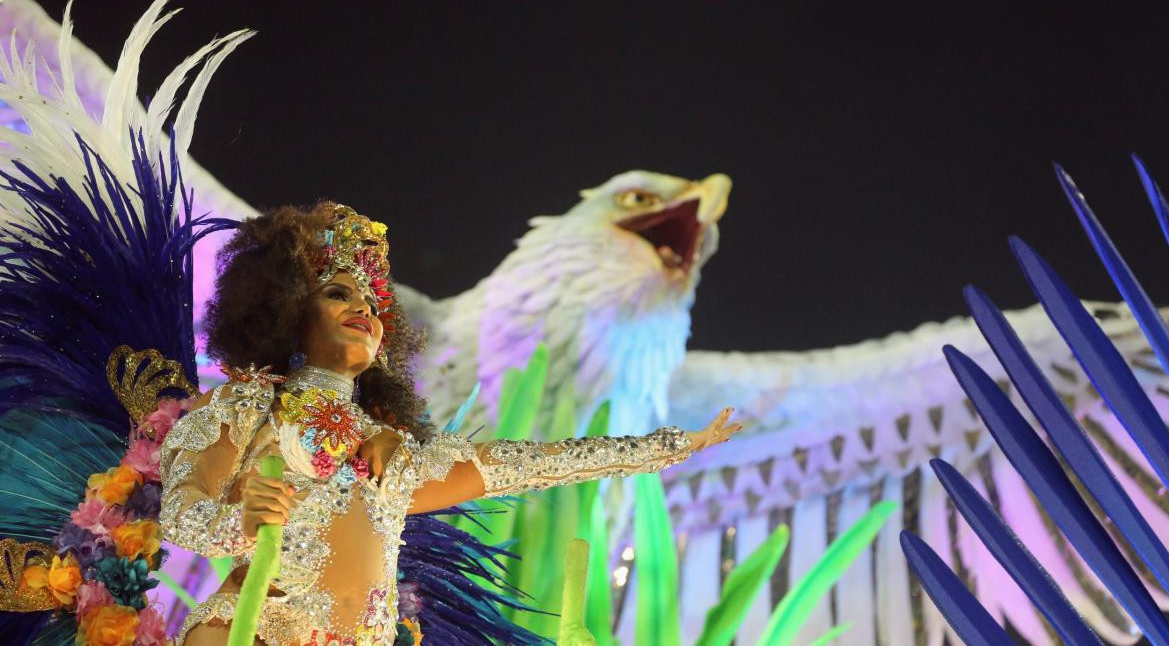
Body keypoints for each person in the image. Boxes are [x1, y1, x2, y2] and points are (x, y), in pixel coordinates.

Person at [163, 201, 742, 646]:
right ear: (286, 309)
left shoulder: (394, 453)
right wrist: (238, 521)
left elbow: (532, 464)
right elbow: (180, 515)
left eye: (371, 302)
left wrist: (670, 447)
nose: (363, 308)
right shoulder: (247, 407)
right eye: (338, 293)